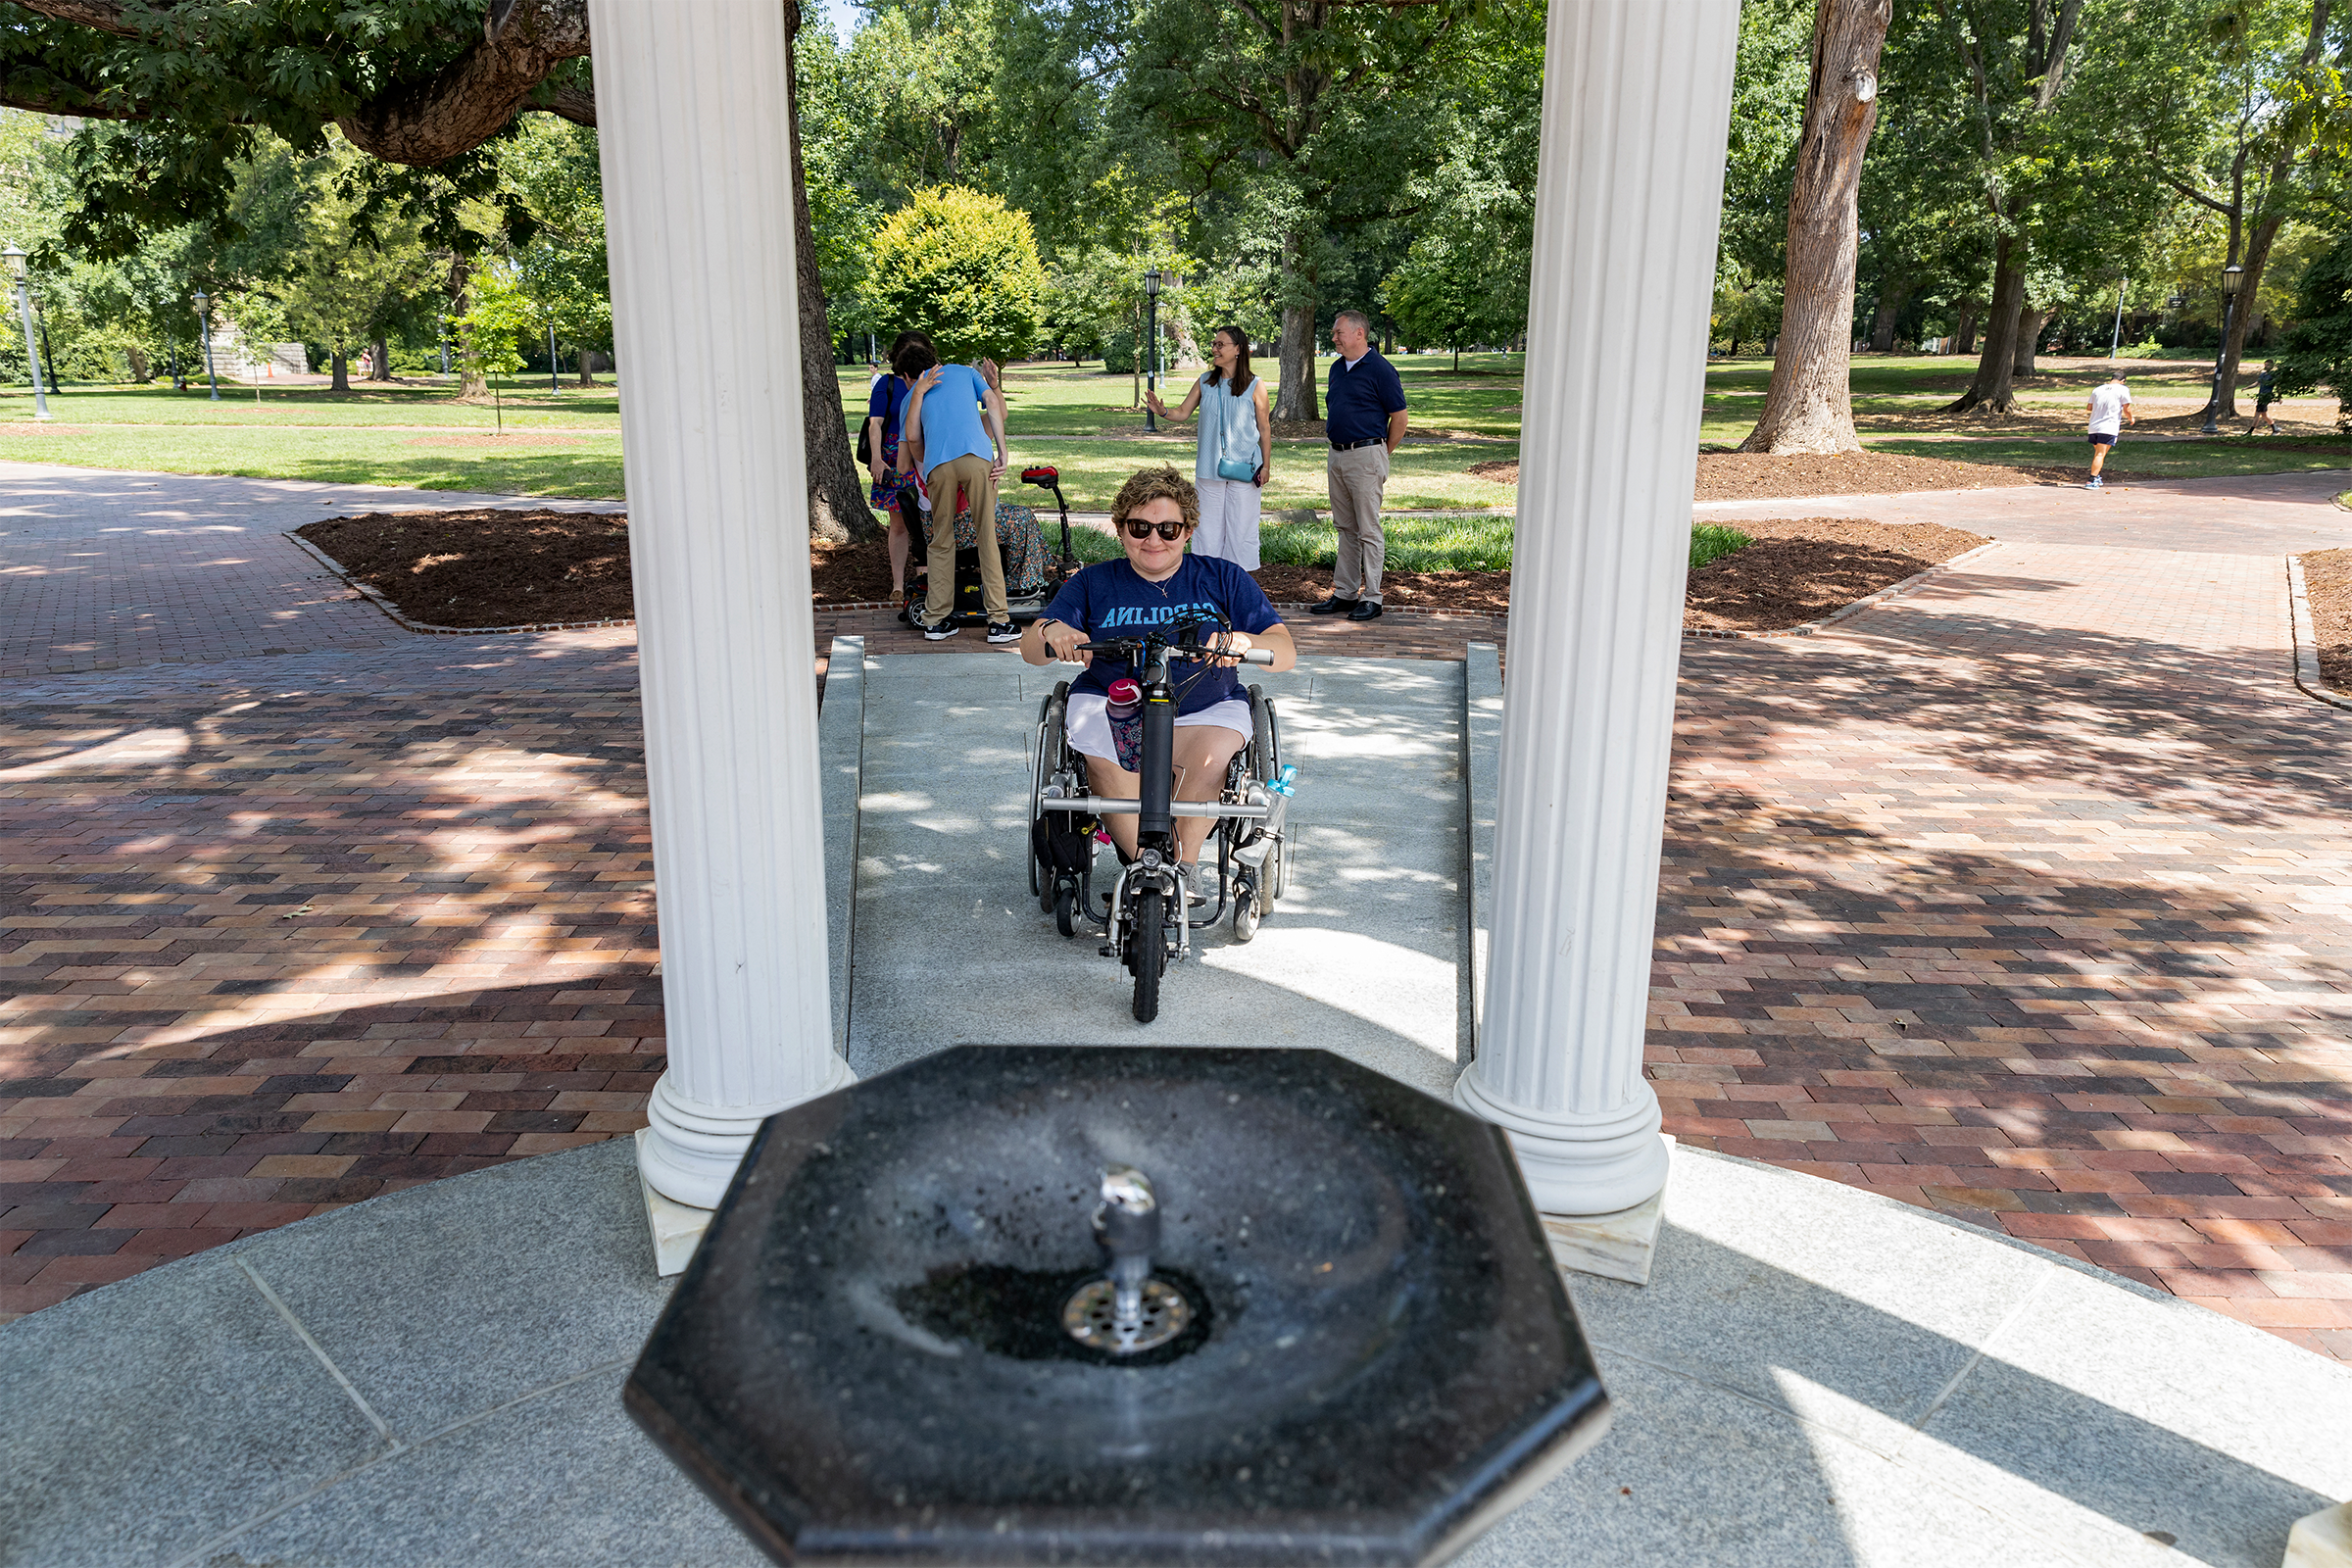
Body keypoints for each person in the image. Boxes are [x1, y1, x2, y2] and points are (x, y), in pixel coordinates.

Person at [1022, 466, 1298, 902]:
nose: (1153, 540)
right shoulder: (1094, 582)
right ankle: (1143, 866)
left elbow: (1284, 652)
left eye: (1168, 528)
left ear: (1188, 530)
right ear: (1119, 529)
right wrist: (1051, 632)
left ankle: (1183, 869)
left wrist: (1242, 641)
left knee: (1209, 763)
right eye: (1140, 527)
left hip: (1205, 704)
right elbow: (1031, 648)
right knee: (1106, 760)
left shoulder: (1223, 577)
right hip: (1113, 703)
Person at [902, 341, 1014, 643]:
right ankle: (999, 623)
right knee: (986, 537)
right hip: (977, 458)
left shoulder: (913, 393)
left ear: (905, 375)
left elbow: (912, 439)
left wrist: (932, 463)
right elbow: (993, 404)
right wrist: (1002, 451)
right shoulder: (966, 372)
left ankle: (936, 621)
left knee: (940, 540)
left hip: (938, 466)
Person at [1145, 324, 1271, 569]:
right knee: (1207, 532)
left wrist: (1266, 466)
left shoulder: (1256, 386)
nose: (1214, 349)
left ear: (1238, 349)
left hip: (1245, 469)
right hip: (1209, 467)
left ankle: (1238, 585)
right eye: (1214, 344)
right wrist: (1163, 411)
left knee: (1241, 529)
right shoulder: (1205, 382)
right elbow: (1182, 412)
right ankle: (1207, 584)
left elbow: (1265, 429)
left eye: (1220, 344)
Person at [1312, 309, 1407, 621]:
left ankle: (1373, 597)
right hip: (1336, 455)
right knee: (1345, 527)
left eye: (1339, 332)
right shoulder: (1337, 368)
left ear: (1359, 334)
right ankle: (1345, 593)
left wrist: (1380, 453)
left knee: (1368, 528)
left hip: (1366, 455)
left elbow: (1400, 418)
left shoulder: (1380, 369)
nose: (1334, 337)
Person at [865, 331, 925, 611]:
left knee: (928, 521)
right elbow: (875, 424)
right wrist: (876, 459)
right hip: (893, 456)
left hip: (927, 453)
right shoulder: (887, 385)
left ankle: (926, 578)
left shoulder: (933, 383)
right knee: (900, 523)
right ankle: (898, 584)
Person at [2083, 369, 2132, 489]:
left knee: (2099, 453)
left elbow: (2089, 407)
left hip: (2094, 426)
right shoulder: (2123, 389)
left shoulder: (2098, 389)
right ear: (2123, 381)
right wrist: (2131, 419)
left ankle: (2097, 475)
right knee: (2100, 454)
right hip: (2109, 426)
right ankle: (2092, 479)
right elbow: (2127, 408)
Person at [2253, 361, 2279, 434]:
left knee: (2257, 414)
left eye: (2268, 365)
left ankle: (2250, 431)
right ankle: (2275, 428)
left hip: (2266, 396)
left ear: (2272, 366)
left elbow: (2278, 386)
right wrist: (2247, 388)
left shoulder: (2273, 375)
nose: (2266, 366)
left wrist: (2279, 397)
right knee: (2264, 415)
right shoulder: (2262, 375)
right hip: (2261, 395)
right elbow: (2256, 383)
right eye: (2265, 365)